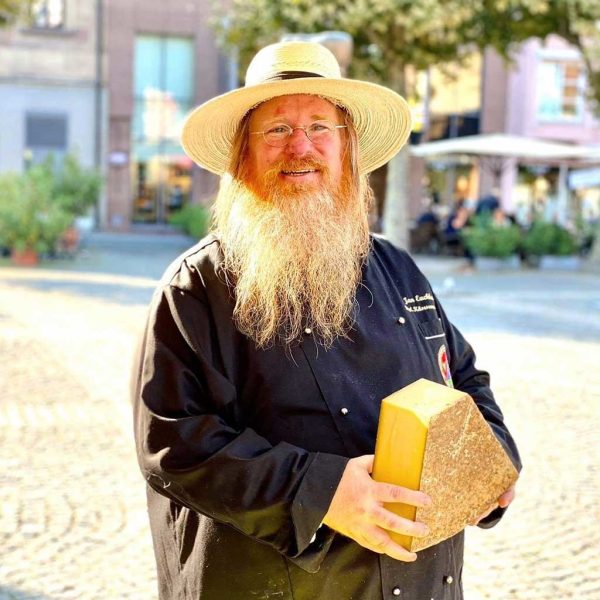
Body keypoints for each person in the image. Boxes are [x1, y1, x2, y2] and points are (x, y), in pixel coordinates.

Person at [132, 41, 521, 600]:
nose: (301, 146)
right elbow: (173, 444)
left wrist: (494, 462)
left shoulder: (397, 268)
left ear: (347, 149)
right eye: (276, 130)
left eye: (320, 126)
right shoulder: (195, 288)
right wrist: (324, 492)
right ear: (243, 154)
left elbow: (463, 379)